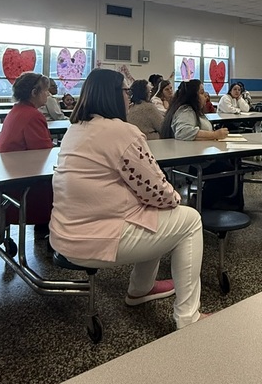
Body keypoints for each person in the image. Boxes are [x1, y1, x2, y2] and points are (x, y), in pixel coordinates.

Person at [49, 69, 206, 329]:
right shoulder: (122, 132)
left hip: (65, 233)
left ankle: (141, 289)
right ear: (114, 95)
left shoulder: (75, 129)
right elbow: (158, 191)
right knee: (189, 220)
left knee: (154, 214)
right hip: (94, 238)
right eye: (125, 91)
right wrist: (176, 197)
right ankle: (189, 319)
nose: (129, 97)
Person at [0, 72, 53, 231]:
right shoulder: (33, 115)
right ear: (34, 93)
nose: (48, 94)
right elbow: (44, 152)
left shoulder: (16, 110)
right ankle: (46, 229)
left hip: (9, 170)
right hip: (21, 176)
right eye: (45, 91)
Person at [161, 80, 244, 210]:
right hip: (188, 163)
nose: (205, 95)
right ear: (192, 96)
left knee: (231, 163)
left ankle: (224, 203)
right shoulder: (186, 110)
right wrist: (214, 135)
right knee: (228, 170)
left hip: (198, 157)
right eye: (201, 92)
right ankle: (205, 204)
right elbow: (183, 132)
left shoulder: (192, 110)